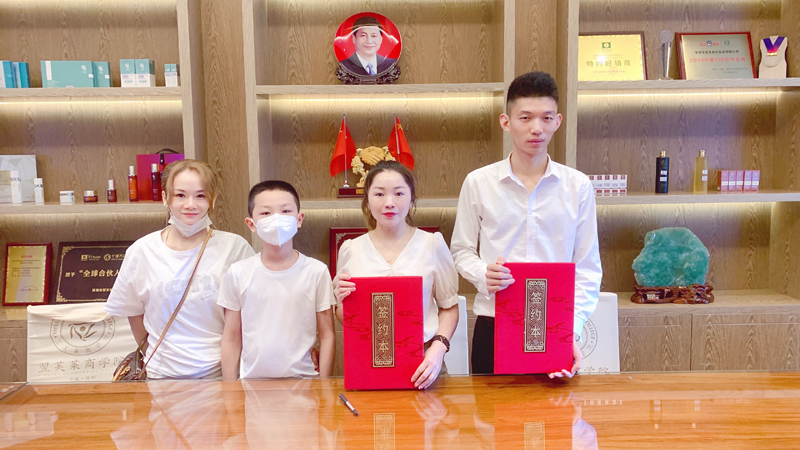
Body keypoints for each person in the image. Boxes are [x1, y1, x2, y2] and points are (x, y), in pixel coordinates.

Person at [450, 71, 602, 378]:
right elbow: (460, 250)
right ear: (506, 122)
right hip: (494, 322)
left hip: (555, 323)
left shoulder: (578, 186)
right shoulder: (478, 182)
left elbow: (587, 267)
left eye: (546, 118)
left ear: (557, 121)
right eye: (525, 118)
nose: (537, 128)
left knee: (554, 408)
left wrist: (570, 329)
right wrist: (483, 274)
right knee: (492, 409)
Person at [105, 159, 255, 379]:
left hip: (220, 375)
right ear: (165, 198)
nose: (190, 204)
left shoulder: (235, 248)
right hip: (161, 377)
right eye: (180, 195)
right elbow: (133, 311)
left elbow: (253, 312)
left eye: (200, 196)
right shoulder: (142, 251)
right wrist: (155, 355)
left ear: (213, 199)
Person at [334, 160, 460, 390]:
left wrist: (438, 348)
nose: (389, 203)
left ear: (411, 200)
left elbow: (449, 307)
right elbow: (346, 317)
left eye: (399, 193)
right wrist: (343, 302)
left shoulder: (432, 244)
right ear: (367, 200)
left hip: (424, 362)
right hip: (369, 361)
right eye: (379, 194)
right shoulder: (350, 249)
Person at [218, 181, 335, 380]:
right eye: (266, 213)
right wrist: (229, 390)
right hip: (252, 384)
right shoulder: (237, 273)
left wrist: (324, 386)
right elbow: (231, 338)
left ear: (299, 219)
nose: (277, 219)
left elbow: (327, 335)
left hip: (305, 382)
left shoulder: (317, 271)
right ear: (251, 224)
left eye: (286, 211)